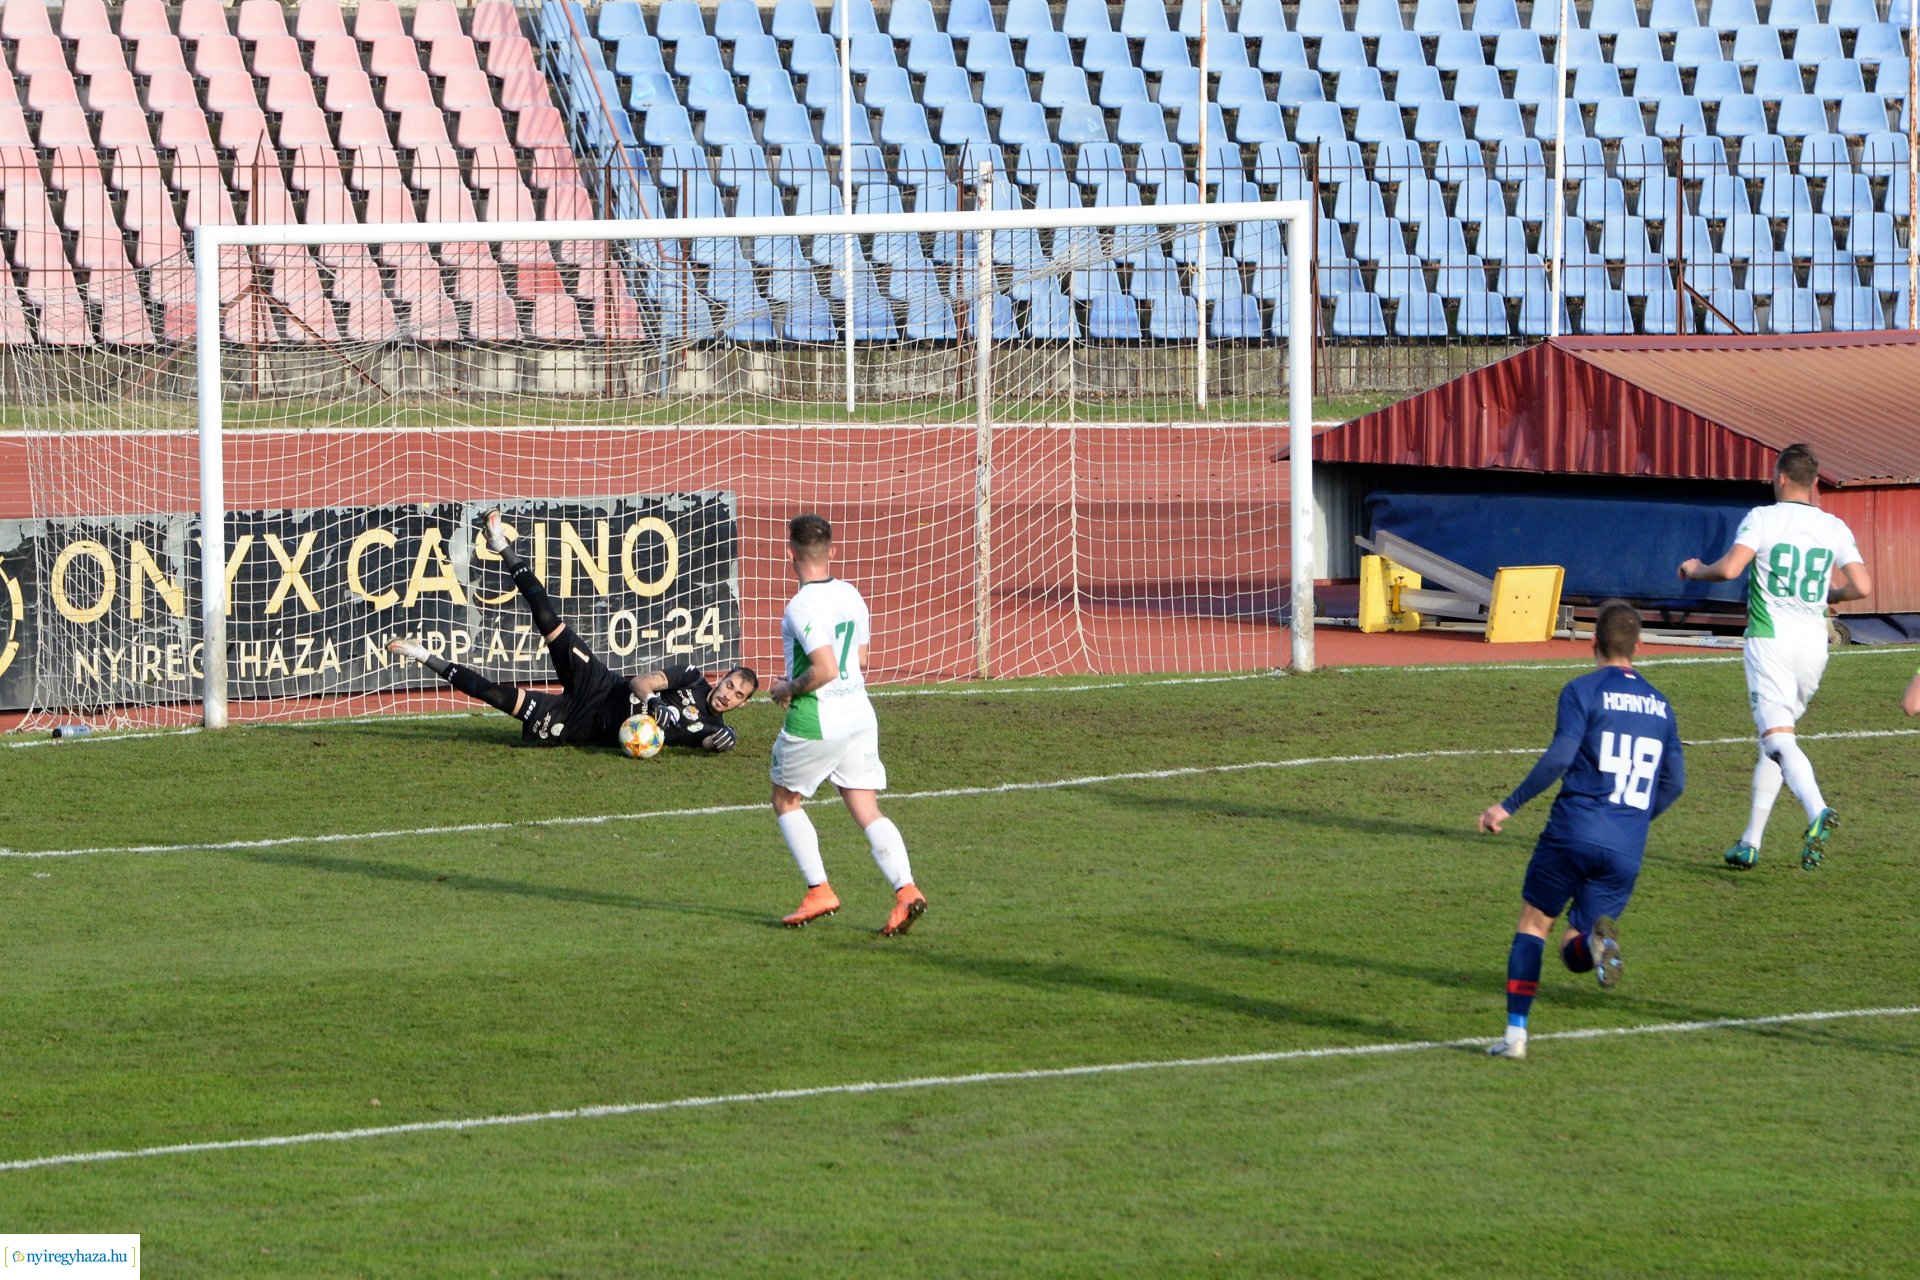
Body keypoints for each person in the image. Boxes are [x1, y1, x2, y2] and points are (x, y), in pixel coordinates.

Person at [1477, 600, 1686, 1061]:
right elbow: (1676, 784)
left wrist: (1507, 805)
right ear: (1640, 647)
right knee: (1576, 940)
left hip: (1572, 830)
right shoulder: (1662, 706)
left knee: (1534, 926)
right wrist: (1631, 822)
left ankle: (1515, 1036)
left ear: (1593, 643)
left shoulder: (1582, 691)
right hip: (1625, 847)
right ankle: (1595, 947)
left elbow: (1559, 757)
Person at [386, 510, 757, 752]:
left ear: (741, 704)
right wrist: (656, 704)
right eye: (730, 684)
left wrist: (728, 740)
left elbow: (710, 741)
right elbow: (641, 683)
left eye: (737, 695)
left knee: (497, 696)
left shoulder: (710, 726)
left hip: (580, 723)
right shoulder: (692, 678)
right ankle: (501, 545)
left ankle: (422, 654)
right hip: (599, 684)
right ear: (722, 678)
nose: (728, 695)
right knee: (547, 618)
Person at [1678, 442, 1871, 871]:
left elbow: (1729, 569)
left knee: (1778, 740)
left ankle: (1817, 808)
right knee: (1775, 739)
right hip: (1814, 646)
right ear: (1815, 482)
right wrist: (1830, 597)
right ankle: (1750, 840)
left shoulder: (1762, 518)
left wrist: (1696, 570)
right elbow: (1862, 586)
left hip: (1770, 640)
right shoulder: (1833, 526)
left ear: (1780, 477)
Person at [767, 512, 925, 937]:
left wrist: (787, 688)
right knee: (866, 808)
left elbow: (825, 668)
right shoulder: (851, 593)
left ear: (789, 555)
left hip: (818, 720)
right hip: (859, 716)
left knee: (785, 800)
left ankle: (819, 890)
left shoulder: (801, 606)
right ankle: (906, 890)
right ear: (831, 552)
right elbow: (862, 660)